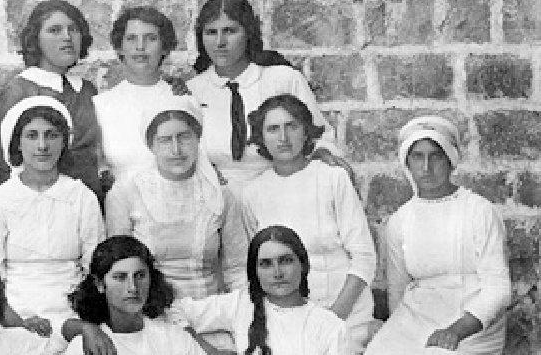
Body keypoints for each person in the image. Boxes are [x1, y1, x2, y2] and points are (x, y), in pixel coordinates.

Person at [241, 94, 377, 353]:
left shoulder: (332, 179)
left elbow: (364, 258)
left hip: (344, 314)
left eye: (291, 126)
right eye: (273, 129)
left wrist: (331, 318)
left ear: (306, 132)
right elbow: (258, 268)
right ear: (261, 137)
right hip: (287, 319)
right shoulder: (252, 193)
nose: (283, 137)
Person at [365, 116, 511, 354]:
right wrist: (397, 334)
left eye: (436, 156)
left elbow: (498, 289)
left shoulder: (479, 211)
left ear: (450, 160)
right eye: (417, 157)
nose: (426, 167)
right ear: (407, 163)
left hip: (473, 324)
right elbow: (398, 291)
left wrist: (455, 330)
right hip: (418, 317)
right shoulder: (400, 221)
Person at [0, 96, 105, 338]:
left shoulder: (81, 197)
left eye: (52, 135)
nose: (42, 146)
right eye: (32, 136)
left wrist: (80, 319)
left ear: (64, 142)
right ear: (18, 144)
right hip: (12, 314)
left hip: (74, 311)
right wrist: (19, 323)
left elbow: (94, 268)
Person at [186, 0, 347, 188]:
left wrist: (323, 154)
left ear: (248, 33)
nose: (220, 42)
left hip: (280, 189)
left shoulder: (282, 80)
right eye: (211, 32)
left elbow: (319, 137)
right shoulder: (192, 91)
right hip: (218, 195)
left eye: (230, 31)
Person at [105, 97, 247, 299]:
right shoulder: (125, 194)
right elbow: (118, 269)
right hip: (151, 312)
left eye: (184, 137)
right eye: (164, 140)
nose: (176, 150)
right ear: (151, 145)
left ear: (198, 138)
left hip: (211, 309)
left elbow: (237, 269)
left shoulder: (220, 194)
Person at [170, 225, 348, 355]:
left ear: (302, 264)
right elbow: (174, 311)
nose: (277, 273)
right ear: (255, 272)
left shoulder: (330, 326)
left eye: (285, 260)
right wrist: (209, 350)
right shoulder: (241, 305)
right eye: (266, 264)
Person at [0, 0, 101, 199]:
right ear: (36, 40)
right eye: (54, 30)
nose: (67, 37)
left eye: (73, 29)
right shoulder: (19, 90)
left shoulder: (87, 90)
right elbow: (4, 165)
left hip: (90, 204)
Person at [94, 6, 193, 184]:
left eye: (151, 39)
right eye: (131, 39)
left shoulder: (182, 99)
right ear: (120, 48)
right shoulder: (101, 105)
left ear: (165, 48)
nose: (140, 47)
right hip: (123, 204)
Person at [64, 236, 206, 355]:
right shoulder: (86, 347)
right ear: (100, 284)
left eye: (140, 276)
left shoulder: (174, 338)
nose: (133, 287)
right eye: (120, 277)